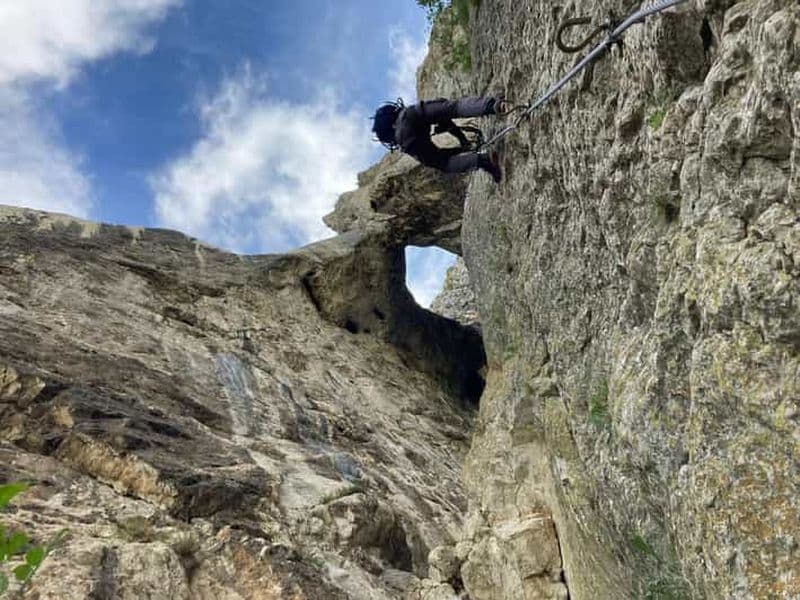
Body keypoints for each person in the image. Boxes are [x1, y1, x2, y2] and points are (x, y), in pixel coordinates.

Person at [371, 96, 506, 183]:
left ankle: (485, 160)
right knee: (454, 108)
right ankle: (493, 106)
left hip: (406, 140)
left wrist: (460, 146)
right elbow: (444, 116)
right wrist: (461, 138)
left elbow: (438, 156)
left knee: (443, 163)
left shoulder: (401, 138)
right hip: (415, 113)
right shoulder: (406, 113)